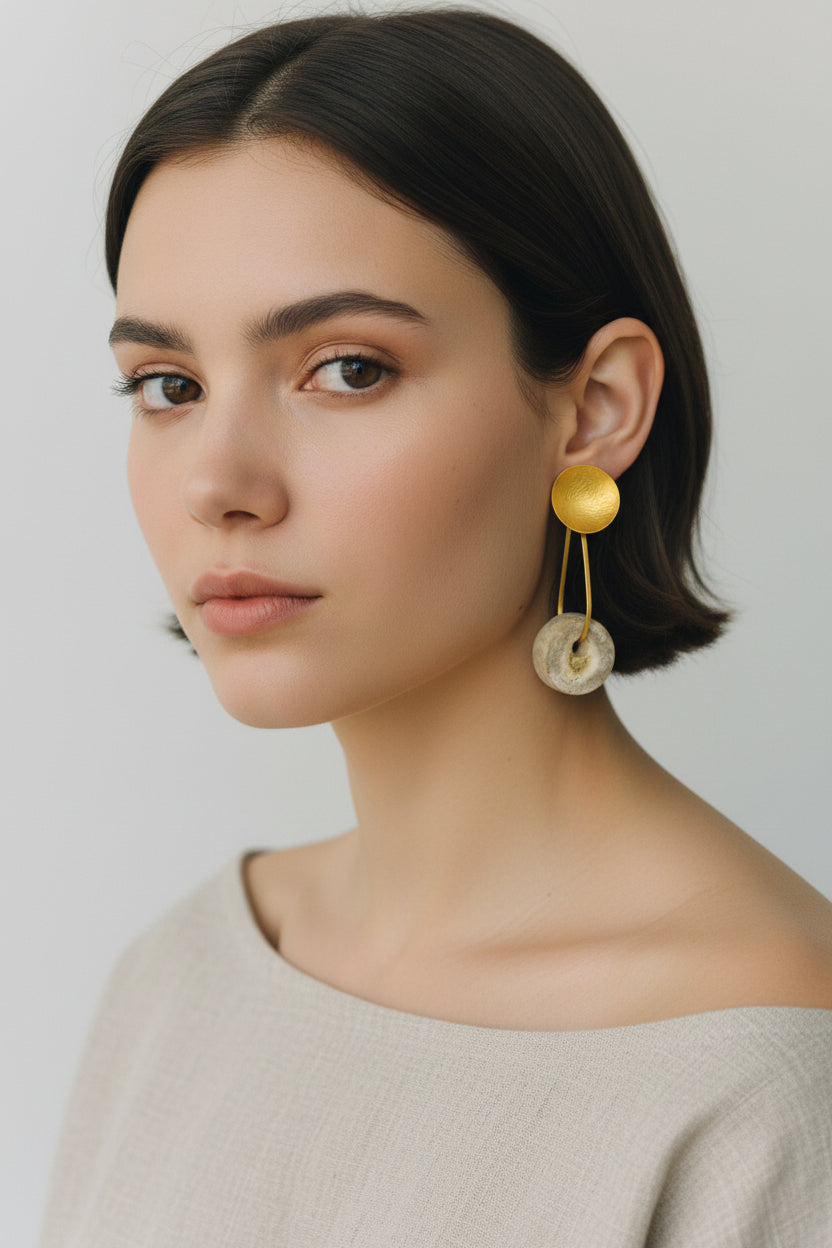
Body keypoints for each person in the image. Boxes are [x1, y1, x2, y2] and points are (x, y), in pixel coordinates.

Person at [37, 7, 832, 1246]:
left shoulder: (764, 1078)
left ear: (595, 410)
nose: (218, 481)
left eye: (346, 368)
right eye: (169, 386)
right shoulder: (181, 978)